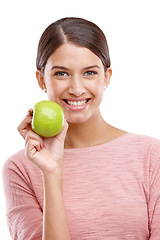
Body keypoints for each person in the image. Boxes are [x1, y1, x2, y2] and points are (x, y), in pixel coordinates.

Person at [2, 17, 160, 240]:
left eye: (89, 73)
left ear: (107, 77)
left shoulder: (152, 156)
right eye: (61, 73)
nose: (76, 89)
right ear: (41, 80)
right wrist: (51, 171)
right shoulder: (20, 168)